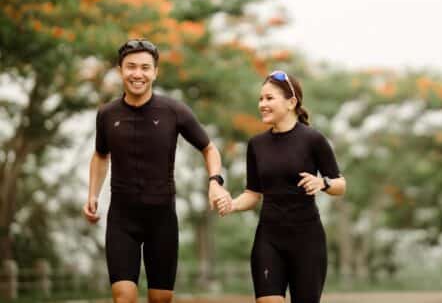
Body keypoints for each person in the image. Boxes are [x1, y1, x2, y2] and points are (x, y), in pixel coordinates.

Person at [82, 39, 231, 303]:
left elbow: (209, 148)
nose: (137, 74)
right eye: (131, 67)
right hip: (122, 219)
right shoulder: (107, 114)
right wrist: (92, 194)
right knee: (123, 296)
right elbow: (100, 155)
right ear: (120, 70)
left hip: (161, 220)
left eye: (144, 68)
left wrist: (215, 181)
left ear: (155, 72)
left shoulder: (174, 111)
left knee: (160, 299)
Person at [218, 70, 346, 303]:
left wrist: (323, 183)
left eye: (269, 98)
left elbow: (340, 185)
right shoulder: (257, 145)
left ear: (291, 102)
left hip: (307, 241)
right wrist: (232, 204)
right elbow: (252, 193)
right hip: (269, 239)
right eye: (261, 99)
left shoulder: (312, 139)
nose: (262, 104)